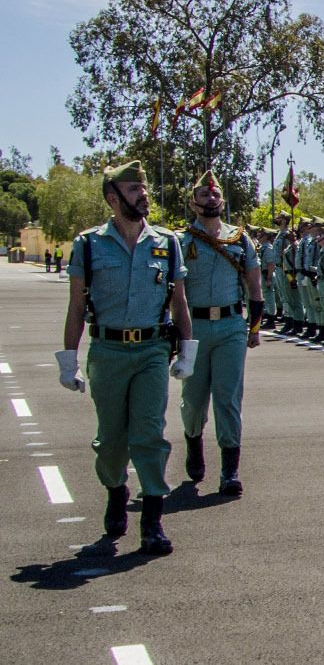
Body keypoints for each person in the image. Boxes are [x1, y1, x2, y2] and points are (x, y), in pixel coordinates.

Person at [58, 160, 197, 555]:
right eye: (134, 189)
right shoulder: (89, 244)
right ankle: (116, 490)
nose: (144, 195)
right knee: (111, 440)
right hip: (108, 351)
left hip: (152, 350)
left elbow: (179, 302)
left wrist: (187, 350)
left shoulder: (166, 242)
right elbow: (76, 306)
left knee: (149, 433)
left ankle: (152, 518)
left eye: (144, 188)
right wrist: (68, 360)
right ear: (113, 198)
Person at [178, 170, 264, 496]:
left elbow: (254, 285)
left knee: (228, 398)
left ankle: (230, 471)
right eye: (204, 194)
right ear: (193, 203)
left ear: (222, 200)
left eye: (215, 194)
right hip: (194, 327)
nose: (211, 199)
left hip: (230, 326)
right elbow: (174, 291)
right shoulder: (181, 241)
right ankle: (193, 442)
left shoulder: (240, 239)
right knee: (193, 401)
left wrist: (254, 327)